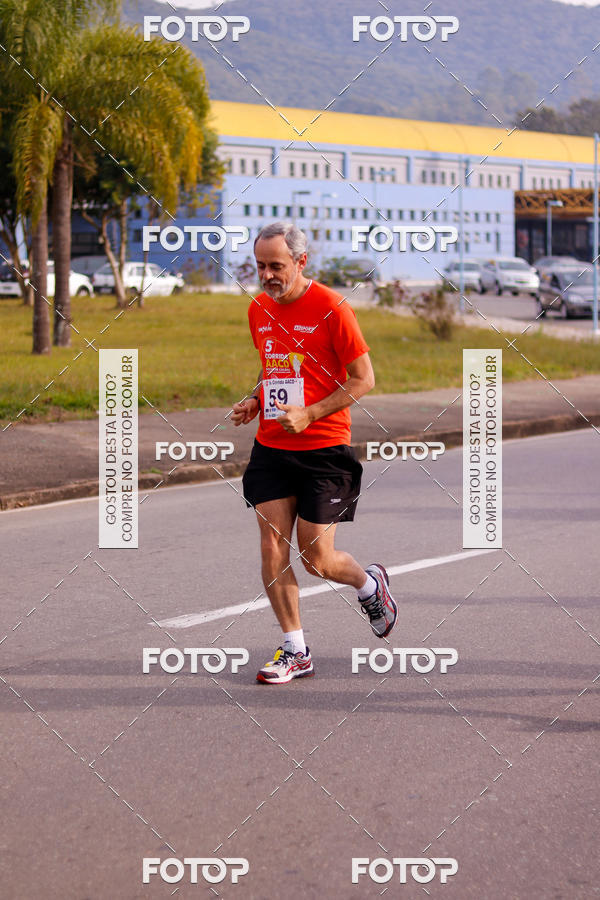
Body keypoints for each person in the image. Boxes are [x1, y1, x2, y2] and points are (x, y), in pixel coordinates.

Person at [231, 222, 397, 684]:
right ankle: (295, 649)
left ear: (301, 262)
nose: (266, 275)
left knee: (316, 559)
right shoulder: (258, 309)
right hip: (272, 447)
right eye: (260, 266)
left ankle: (369, 584)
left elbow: (364, 379)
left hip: (325, 450)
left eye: (276, 266)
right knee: (271, 546)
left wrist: (312, 414)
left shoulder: (331, 308)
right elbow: (275, 371)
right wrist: (256, 402)